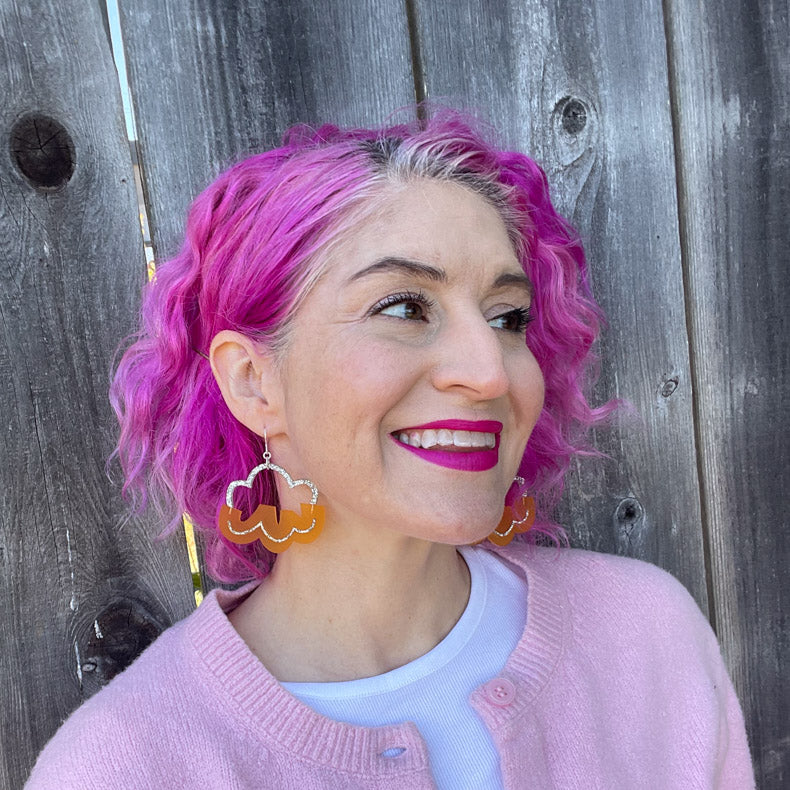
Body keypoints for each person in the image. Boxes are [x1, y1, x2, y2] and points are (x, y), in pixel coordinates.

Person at [26, 109, 754, 789]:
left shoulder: (645, 635)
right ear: (254, 382)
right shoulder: (123, 766)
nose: (490, 370)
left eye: (507, 317)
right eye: (404, 307)